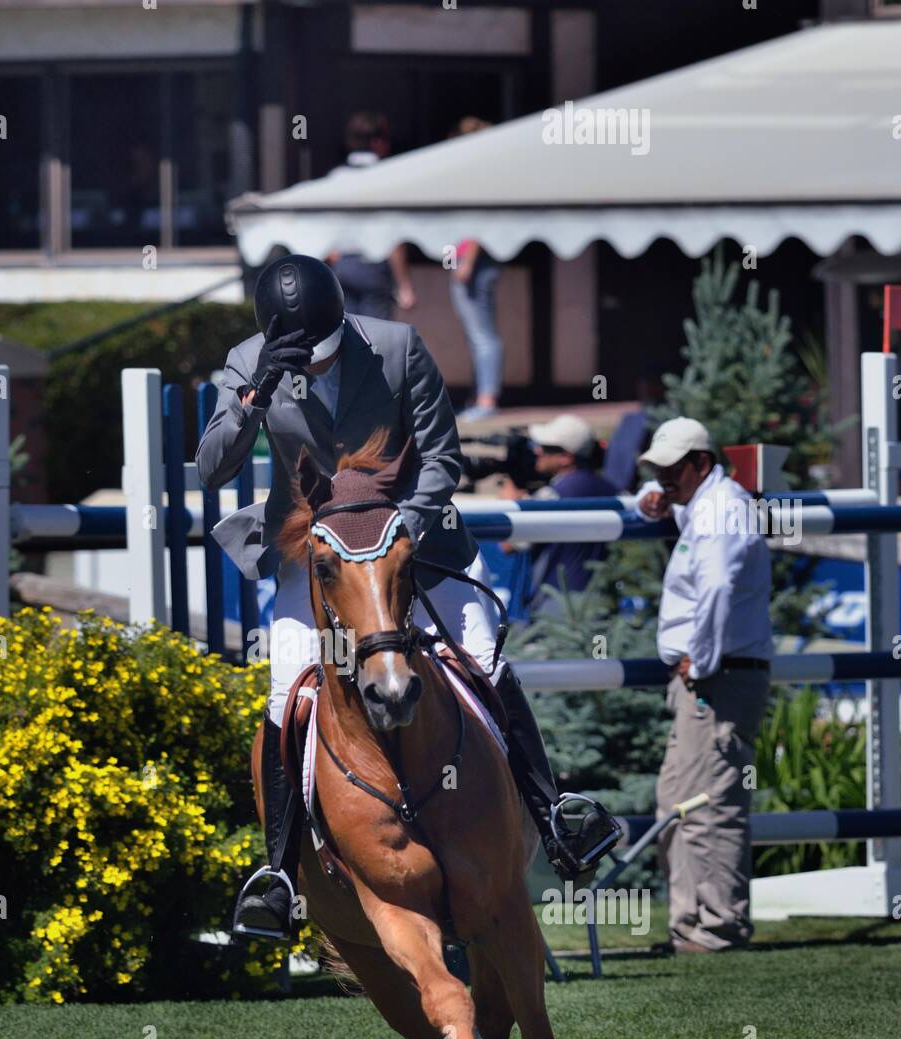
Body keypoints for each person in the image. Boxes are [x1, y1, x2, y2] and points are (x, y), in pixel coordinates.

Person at [196, 254, 619, 938]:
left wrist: (400, 533)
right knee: (285, 693)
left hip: (412, 547)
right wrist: (255, 397)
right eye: (307, 357)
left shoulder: (395, 347)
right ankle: (276, 870)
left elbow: (443, 457)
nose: (321, 365)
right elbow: (213, 467)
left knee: (480, 658)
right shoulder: (248, 361)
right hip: (316, 562)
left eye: (328, 351)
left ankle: (552, 813)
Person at [636, 417, 773, 953]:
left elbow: (717, 586)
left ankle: (715, 927)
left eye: (671, 471)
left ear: (700, 464)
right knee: (685, 799)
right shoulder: (711, 501)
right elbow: (660, 501)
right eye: (658, 471)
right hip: (717, 675)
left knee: (706, 803)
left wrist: (703, 658)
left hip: (716, 677)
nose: (664, 479)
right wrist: (655, 497)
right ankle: (696, 925)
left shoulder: (719, 510)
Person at [516, 413, 617, 613]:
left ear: (566, 457)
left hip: (557, 602)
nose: (537, 451)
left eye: (545, 448)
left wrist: (510, 497)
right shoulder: (612, 490)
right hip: (603, 599)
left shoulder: (553, 495)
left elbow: (512, 544)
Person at [325, 113, 415, 320]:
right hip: (373, 266)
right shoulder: (387, 177)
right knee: (376, 339)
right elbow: (392, 233)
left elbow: (325, 225)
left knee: (346, 336)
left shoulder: (336, 177)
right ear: (378, 142)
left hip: (341, 265)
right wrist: (404, 284)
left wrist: (332, 255)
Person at [448, 117, 503, 422]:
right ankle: (480, 395)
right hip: (468, 261)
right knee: (476, 334)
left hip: (475, 263)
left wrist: (467, 260)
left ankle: (486, 398)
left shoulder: (481, 173)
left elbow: (480, 223)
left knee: (483, 335)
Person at [602, 368, 666, 493]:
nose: (645, 390)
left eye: (650, 386)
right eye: (645, 386)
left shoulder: (658, 420)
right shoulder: (631, 421)